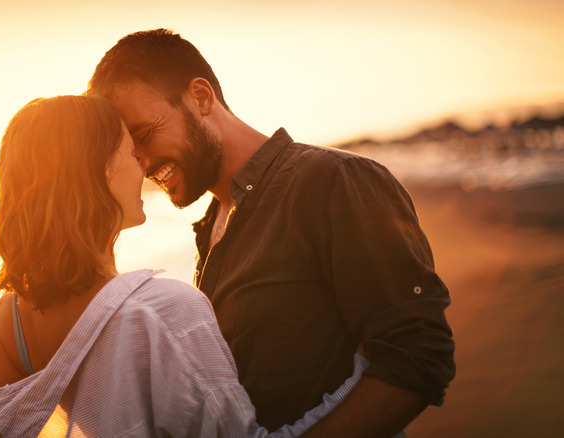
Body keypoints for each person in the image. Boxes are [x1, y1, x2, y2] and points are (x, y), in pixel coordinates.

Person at [86, 29, 456, 437]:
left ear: (201, 97)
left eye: (144, 134)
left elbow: (420, 354)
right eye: (131, 152)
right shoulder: (212, 225)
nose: (143, 164)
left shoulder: (333, 181)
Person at [0, 95, 382, 437]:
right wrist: (359, 373)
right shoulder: (163, 309)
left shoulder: (9, 319)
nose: (143, 166)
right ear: (100, 171)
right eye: (131, 152)